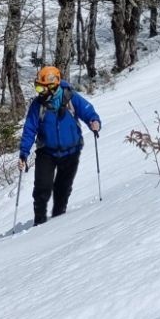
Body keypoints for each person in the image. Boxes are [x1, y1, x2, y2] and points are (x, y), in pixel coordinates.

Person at [19, 66, 101, 226]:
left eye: (41, 87)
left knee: (62, 190)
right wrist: (24, 152)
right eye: (38, 87)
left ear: (53, 86)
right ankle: (39, 222)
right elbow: (29, 128)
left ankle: (58, 224)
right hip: (46, 151)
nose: (39, 91)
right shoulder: (37, 105)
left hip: (71, 151)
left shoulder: (71, 97)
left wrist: (94, 121)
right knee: (42, 188)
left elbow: (88, 111)